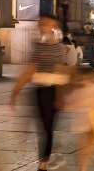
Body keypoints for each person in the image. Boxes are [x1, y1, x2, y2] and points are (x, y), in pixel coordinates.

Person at [11, 14, 69, 171]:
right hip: (40, 91)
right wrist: (15, 91)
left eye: (46, 24)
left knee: (48, 127)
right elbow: (30, 70)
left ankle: (44, 158)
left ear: (53, 27)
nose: (42, 26)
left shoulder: (59, 47)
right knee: (43, 126)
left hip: (53, 90)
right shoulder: (37, 46)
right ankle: (43, 158)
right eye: (41, 24)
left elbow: (61, 71)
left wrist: (60, 97)